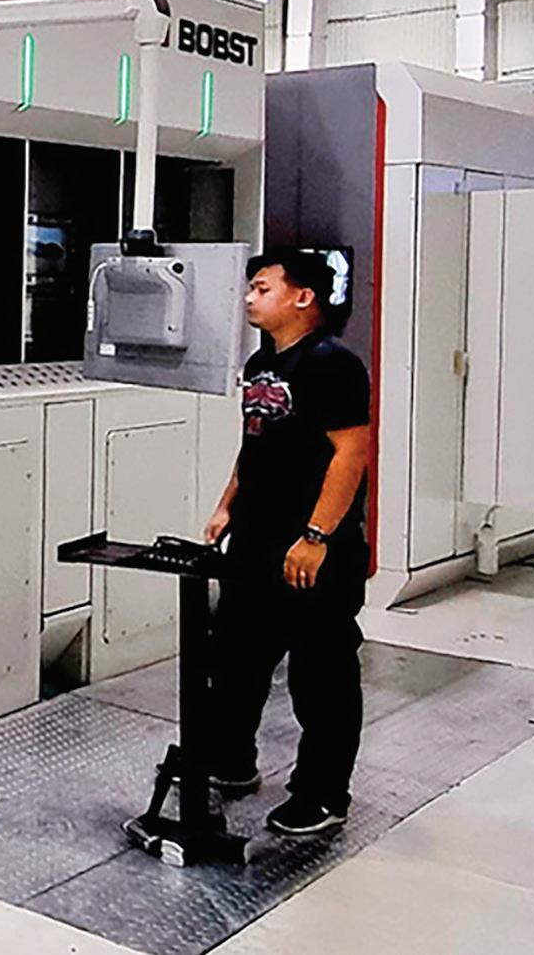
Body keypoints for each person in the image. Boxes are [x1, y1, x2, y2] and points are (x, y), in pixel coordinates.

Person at [201, 247, 372, 837]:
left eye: (263, 287)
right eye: (251, 288)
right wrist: (228, 503)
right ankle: (232, 761)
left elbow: (351, 453)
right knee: (236, 657)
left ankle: (323, 794)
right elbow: (256, 442)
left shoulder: (333, 364)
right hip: (255, 540)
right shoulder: (261, 363)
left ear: (303, 297)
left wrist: (316, 535)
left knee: (320, 674)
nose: (250, 297)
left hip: (312, 546)